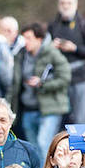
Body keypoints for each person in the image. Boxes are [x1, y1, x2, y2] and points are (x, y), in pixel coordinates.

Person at [9, 23, 71, 152]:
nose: (25, 42)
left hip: (49, 108)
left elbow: (65, 77)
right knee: (33, 148)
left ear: (39, 39)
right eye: (23, 38)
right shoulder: (20, 55)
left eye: (29, 38)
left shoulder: (52, 53)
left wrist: (42, 84)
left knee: (44, 144)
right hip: (27, 108)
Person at [47, 0, 85, 126]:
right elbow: (44, 53)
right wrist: (51, 46)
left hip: (79, 78)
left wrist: (74, 48)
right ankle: (60, 147)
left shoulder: (84, 25)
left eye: (69, 3)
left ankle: (80, 148)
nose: (65, 6)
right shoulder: (52, 26)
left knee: (80, 119)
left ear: (75, 5)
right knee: (59, 121)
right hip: (58, 79)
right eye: (62, 3)